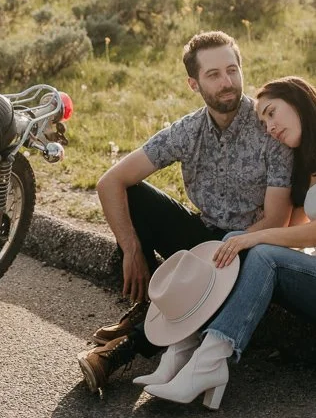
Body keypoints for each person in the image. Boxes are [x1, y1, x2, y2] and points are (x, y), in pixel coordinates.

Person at [141, 75, 316, 407]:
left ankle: (209, 364)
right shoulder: (309, 165)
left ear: (299, 101)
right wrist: (240, 241)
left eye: (272, 113)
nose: (269, 127)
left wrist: (257, 239)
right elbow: (289, 235)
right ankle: (182, 350)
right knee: (240, 241)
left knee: (261, 251)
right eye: (263, 121)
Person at [78, 31, 293, 392]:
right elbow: (110, 182)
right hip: (204, 235)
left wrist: (229, 247)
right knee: (132, 195)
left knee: (211, 263)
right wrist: (132, 250)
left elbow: (278, 220)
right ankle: (147, 304)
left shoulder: (268, 127)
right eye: (213, 75)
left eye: (232, 70)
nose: (227, 82)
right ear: (193, 84)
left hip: (252, 249)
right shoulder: (187, 131)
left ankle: (120, 353)